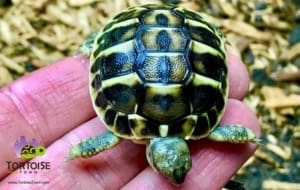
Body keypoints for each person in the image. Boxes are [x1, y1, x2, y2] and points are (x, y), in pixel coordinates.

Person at [0, 54, 260, 189]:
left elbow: (103, 140)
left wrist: (78, 152)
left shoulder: (120, 131)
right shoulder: (207, 127)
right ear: (151, 156)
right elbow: (220, 131)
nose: (177, 178)